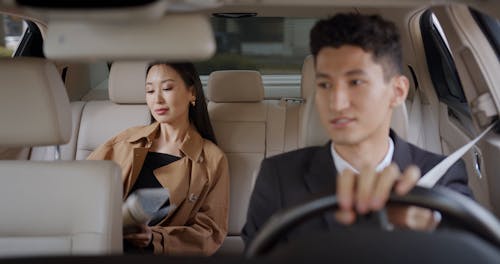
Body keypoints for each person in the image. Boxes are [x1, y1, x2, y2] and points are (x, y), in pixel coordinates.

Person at [242, 13, 473, 246]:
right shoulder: (277, 177)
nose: (337, 103)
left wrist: (431, 226)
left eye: (356, 82)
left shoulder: (442, 175)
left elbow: (471, 251)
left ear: (397, 92)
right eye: (324, 84)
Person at [87, 62, 229, 256]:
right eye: (150, 91)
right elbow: (79, 189)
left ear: (192, 93)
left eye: (167, 88)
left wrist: (155, 239)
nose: (157, 99)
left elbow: (210, 232)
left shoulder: (212, 159)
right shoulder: (125, 141)